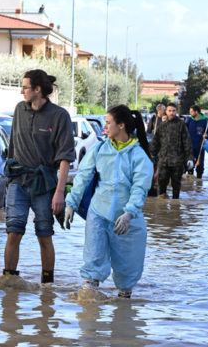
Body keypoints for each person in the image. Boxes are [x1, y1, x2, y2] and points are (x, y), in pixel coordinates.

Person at [64, 104, 153, 298]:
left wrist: (129, 213)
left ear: (121, 125)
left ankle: (122, 318)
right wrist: (71, 202)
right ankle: (88, 319)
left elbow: (140, 189)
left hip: (127, 218)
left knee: (127, 270)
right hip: (98, 213)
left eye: (108, 122)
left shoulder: (139, 156)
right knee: (92, 263)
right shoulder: (100, 149)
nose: (105, 126)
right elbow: (83, 176)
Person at [3, 69, 75, 284]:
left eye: (25, 87)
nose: (21, 91)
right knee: (13, 231)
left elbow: (65, 158)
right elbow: (12, 148)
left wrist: (59, 193)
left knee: (44, 234)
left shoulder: (59, 116)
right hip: (18, 180)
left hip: (44, 183)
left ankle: (47, 285)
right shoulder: (19, 109)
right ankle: (8, 282)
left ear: (38, 89)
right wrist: (9, 177)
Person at [150, 103, 193, 199]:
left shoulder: (181, 125)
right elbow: (156, 143)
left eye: (173, 111)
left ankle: (175, 208)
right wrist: (151, 156)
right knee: (161, 184)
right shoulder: (162, 126)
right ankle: (163, 209)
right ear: (166, 111)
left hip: (177, 162)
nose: (171, 113)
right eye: (169, 111)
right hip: (164, 161)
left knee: (176, 186)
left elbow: (187, 142)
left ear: (176, 112)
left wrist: (189, 158)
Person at [186, 105, 208, 178]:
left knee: (200, 166)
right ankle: (190, 184)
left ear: (196, 112)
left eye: (191, 111)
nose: (190, 113)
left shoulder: (205, 121)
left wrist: (206, 135)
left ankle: (199, 183)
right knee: (189, 166)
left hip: (200, 147)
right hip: (190, 147)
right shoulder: (189, 120)